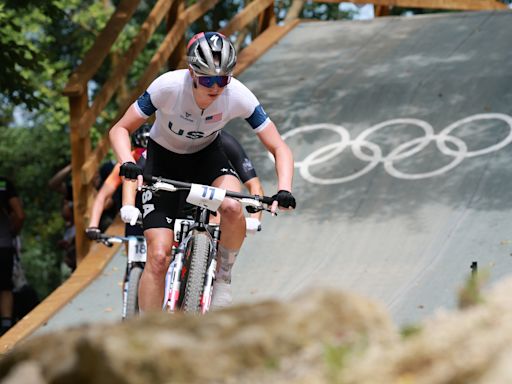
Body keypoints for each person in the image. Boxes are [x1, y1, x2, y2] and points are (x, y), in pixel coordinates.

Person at [109, 31, 296, 312]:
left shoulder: (238, 95)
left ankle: (222, 278)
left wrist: (284, 188)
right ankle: (148, 332)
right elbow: (119, 128)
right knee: (158, 257)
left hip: (207, 158)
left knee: (233, 206)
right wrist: (128, 162)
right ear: (192, 73)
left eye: (222, 79)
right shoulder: (168, 87)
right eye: (207, 79)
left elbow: (279, 147)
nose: (215, 87)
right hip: (162, 160)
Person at [84, 124, 150, 241]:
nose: (143, 156)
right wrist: (93, 226)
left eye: (146, 152)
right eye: (139, 151)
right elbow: (102, 197)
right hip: (135, 217)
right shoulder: (124, 165)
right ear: (133, 149)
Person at [0, 176, 25, 335]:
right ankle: (6, 326)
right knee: (5, 286)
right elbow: (20, 215)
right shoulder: (4, 184)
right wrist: (12, 233)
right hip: (3, 244)